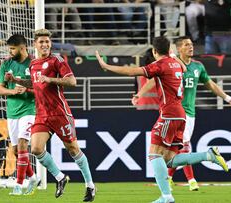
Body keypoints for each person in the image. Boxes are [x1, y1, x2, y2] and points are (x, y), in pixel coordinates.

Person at [95, 36, 228, 203]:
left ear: (154, 51)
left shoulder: (160, 65)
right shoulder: (177, 64)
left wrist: (106, 65)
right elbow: (182, 69)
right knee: (169, 160)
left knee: (154, 155)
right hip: (180, 114)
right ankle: (208, 155)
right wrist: (173, 57)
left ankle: (166, 196)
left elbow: (131, 71)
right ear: (170, 49)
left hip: (169, 115)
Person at [5, 29, 96, 202]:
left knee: (73, 149)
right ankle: (60, 177)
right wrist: (16, 80)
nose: (45, 44)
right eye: (41, 42)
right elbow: (33, 82)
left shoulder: (57, 60)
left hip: (60, 114)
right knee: (36, 149)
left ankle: (90, 185)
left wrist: (50, 80)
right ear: (35, 44)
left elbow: (72, 81)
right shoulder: (33, 64)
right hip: (42, 114)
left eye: (47, 41)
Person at [133, 36, 231, 192]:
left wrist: (226, 97)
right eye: (186, 45)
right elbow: (153, 79)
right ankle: (183, 179)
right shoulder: (172, 64)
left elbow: (210, 84)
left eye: (191, 44)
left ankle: (183, 180)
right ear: (178, 49)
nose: (191, 47)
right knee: (175, 151)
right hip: (173, 112)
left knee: (178, 149)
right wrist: (141, 93)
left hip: (188, 114)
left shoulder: (198, 67)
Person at [0, 34, 38, 195]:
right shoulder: (6, 64)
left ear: (23, 48)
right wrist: (13, 91)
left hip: (29, 110)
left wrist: (27, 90)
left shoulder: (34, 64)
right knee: (15, 151)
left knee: (22, 145)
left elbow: (41, 90)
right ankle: (33, 177)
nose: (10, 51)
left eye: (13, 48)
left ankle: (19, 185)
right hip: (12, 112)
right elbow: (0, 89)